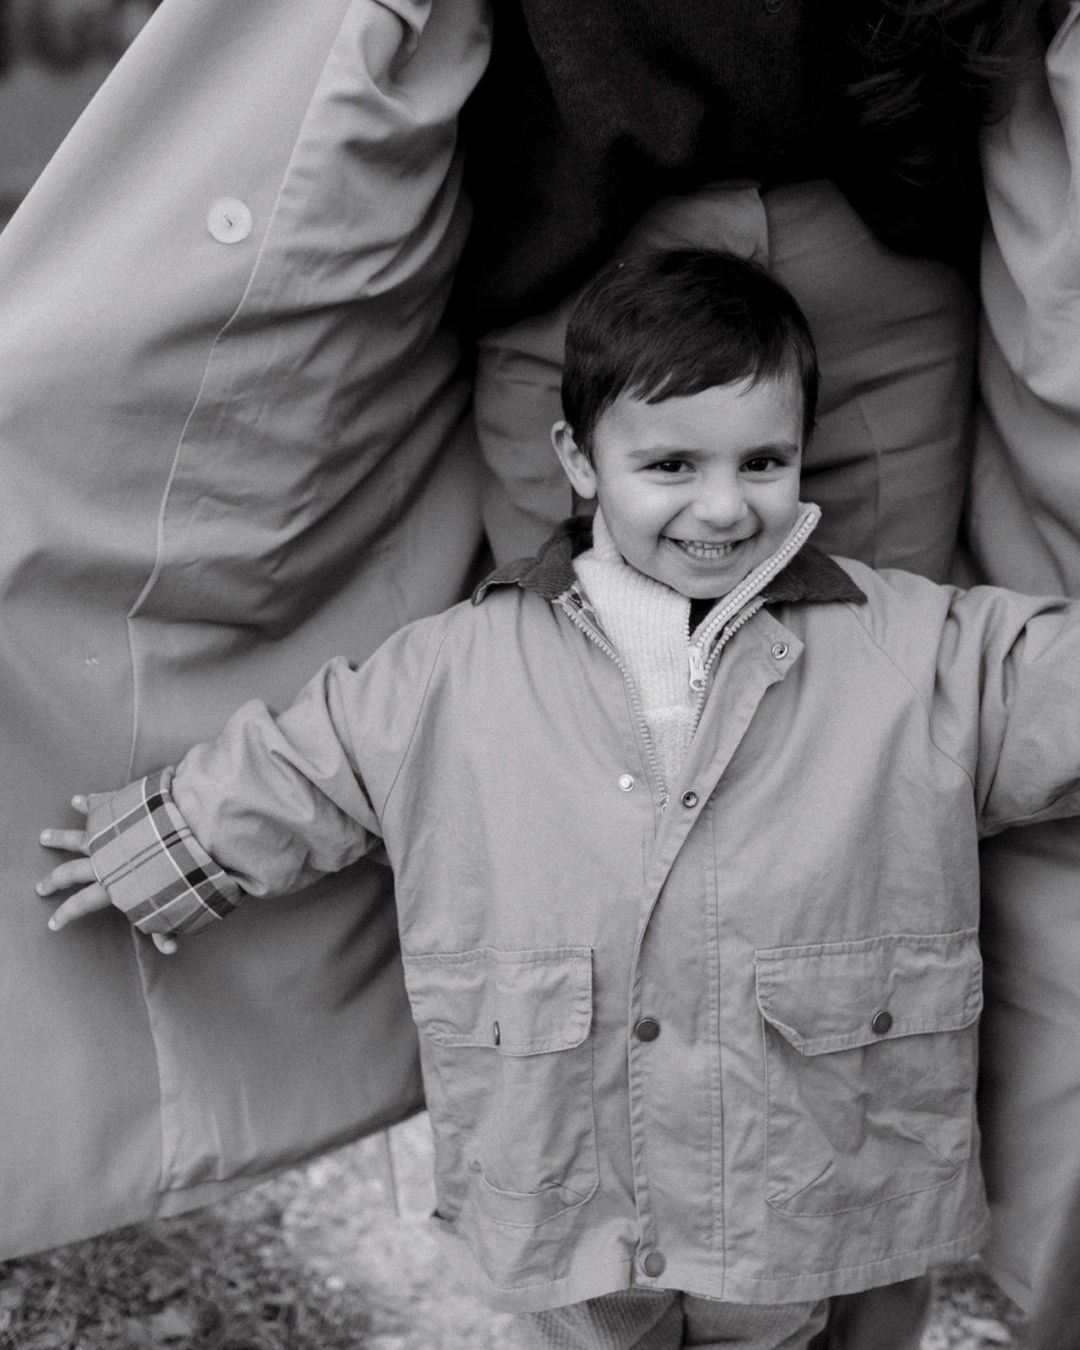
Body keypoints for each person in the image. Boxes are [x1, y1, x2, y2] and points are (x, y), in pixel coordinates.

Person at [36, 249, 1080, 1349]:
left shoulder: (915, 648)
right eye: (671, 465)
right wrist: (166, 841)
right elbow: (315, 756)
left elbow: (1046, 682)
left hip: (793, 1177)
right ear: (579, 462)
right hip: (568, 1172)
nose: (724, 508)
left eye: (764, 461)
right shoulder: (458, 666)